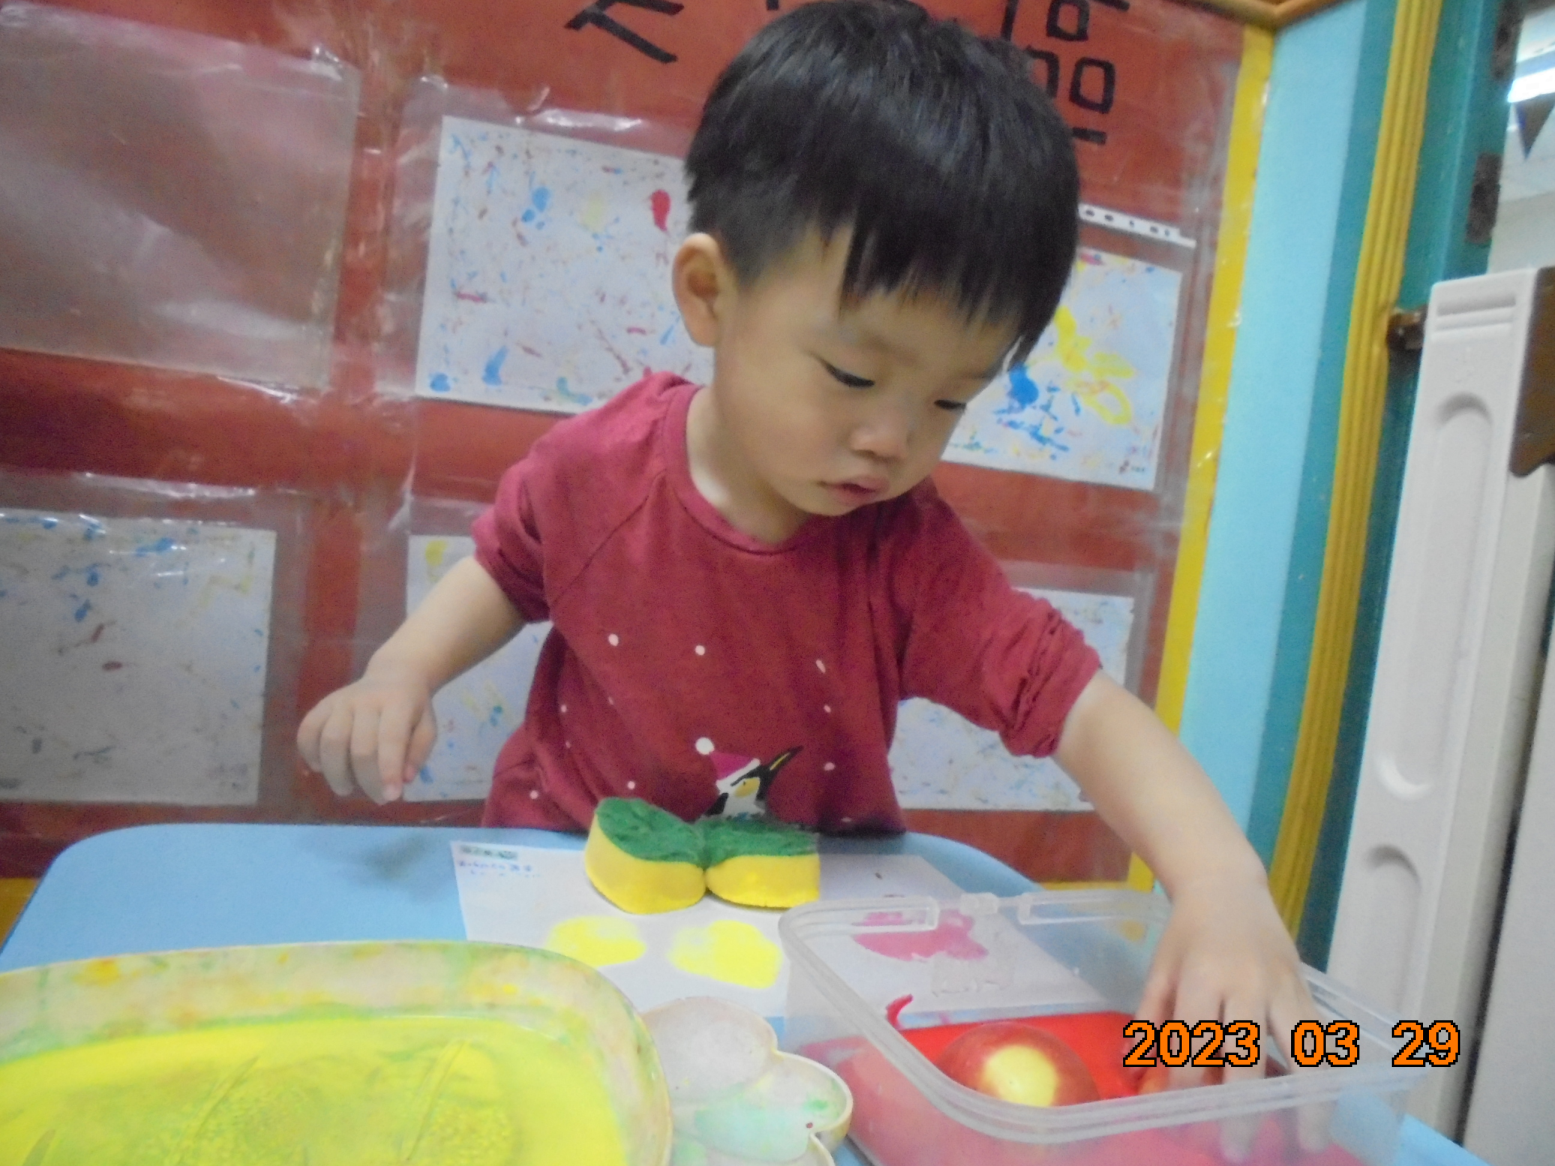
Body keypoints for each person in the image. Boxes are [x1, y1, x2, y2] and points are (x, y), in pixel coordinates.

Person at [300, 0, 1314, 1105]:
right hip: (569, 888)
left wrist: (1219, 878)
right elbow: (506, 570)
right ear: (711, 293)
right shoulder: (597, 469)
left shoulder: (910, 556)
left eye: (948, 398)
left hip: (799, 949)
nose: (892, 438)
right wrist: (401, 669)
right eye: (852, 375)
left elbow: (1080, 707)